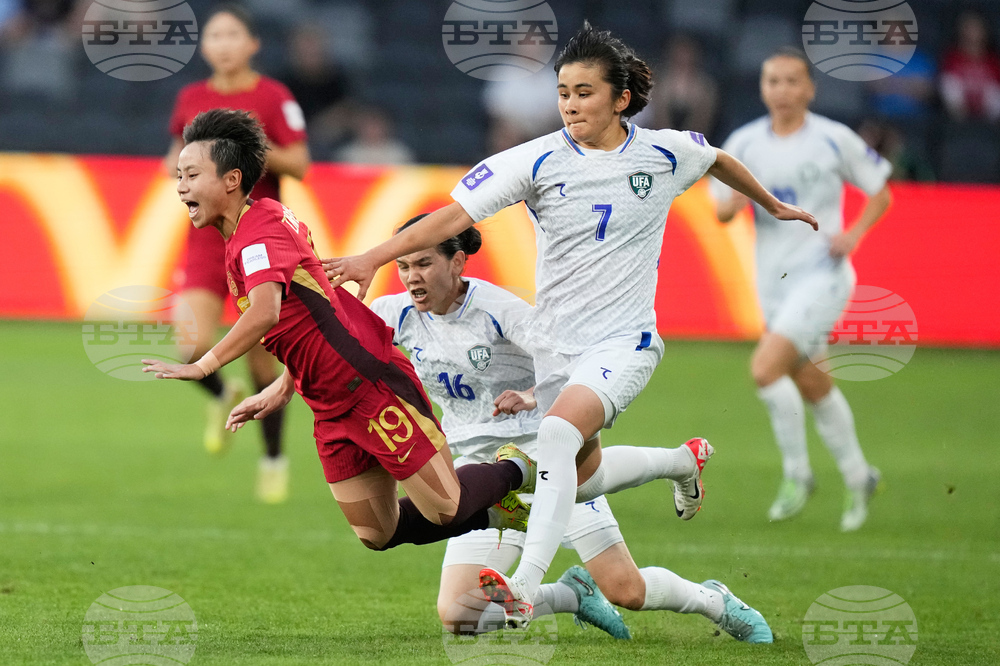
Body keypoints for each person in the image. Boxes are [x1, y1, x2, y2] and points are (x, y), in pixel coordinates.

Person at [323, 22, 817, 628]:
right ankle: (677, 476)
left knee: (555, 437)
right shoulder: (537, 160)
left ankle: (527, 585)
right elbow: (452, 215)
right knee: (580, 492)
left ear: (621, 98)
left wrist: (771, 205)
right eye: (563, 92)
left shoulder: (663, 153)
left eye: (584, 92)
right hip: (559, 354)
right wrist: (373, 257)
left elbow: (717, 158)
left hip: (625, 341)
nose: (570, 105)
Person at [144, 108, 535, 555]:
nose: (180, 186)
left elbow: (266, 312)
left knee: (446, 509)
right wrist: (284, 387)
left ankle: (516, 468)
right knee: (377, 533)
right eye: (180, 175)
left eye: (192, 175)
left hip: (368, 385)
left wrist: (205, 365)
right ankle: (499, 514)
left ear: (231, 180)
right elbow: (312, 316)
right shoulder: (253, 227)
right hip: (327, 402)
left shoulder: (260, 231)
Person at [370, 216, 774, 642]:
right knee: (460, 615)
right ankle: (572, 594)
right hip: (478, 469)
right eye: (404, 266)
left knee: (627, 590)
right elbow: (341, 341)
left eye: (424, 263)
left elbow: (570, 360)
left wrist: (532, 393)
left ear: (457, 262)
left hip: (543, 456)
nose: (412, 277)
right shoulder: (394, 314)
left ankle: (715, 601)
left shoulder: (498, 310)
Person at [711, 48, 891, 531]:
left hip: (823, 274)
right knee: (811, 382)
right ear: (762, 88)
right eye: (773, 81)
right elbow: (721, 211)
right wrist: (734, 200)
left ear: (809, 89)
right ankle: (860, 476)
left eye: (793, 81)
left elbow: (881, 190)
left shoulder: (833, 138)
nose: (783, 90)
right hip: (773, 281)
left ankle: (797, 474)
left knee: (765, 368)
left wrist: (853, 235)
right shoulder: (744, 144)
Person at [164, 4, 310, 503]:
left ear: (252, 44)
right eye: (215, 36)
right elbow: (173, 157)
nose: (223, 44)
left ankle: (272, 457)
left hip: (255, 236)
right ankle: (222, 393)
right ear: (204, 46)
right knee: (189, 344)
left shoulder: (273, 96)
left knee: (264, 366)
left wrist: (242, 150)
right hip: (205, 236)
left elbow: (300, 164)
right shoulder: (191, 98)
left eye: (233, 35)